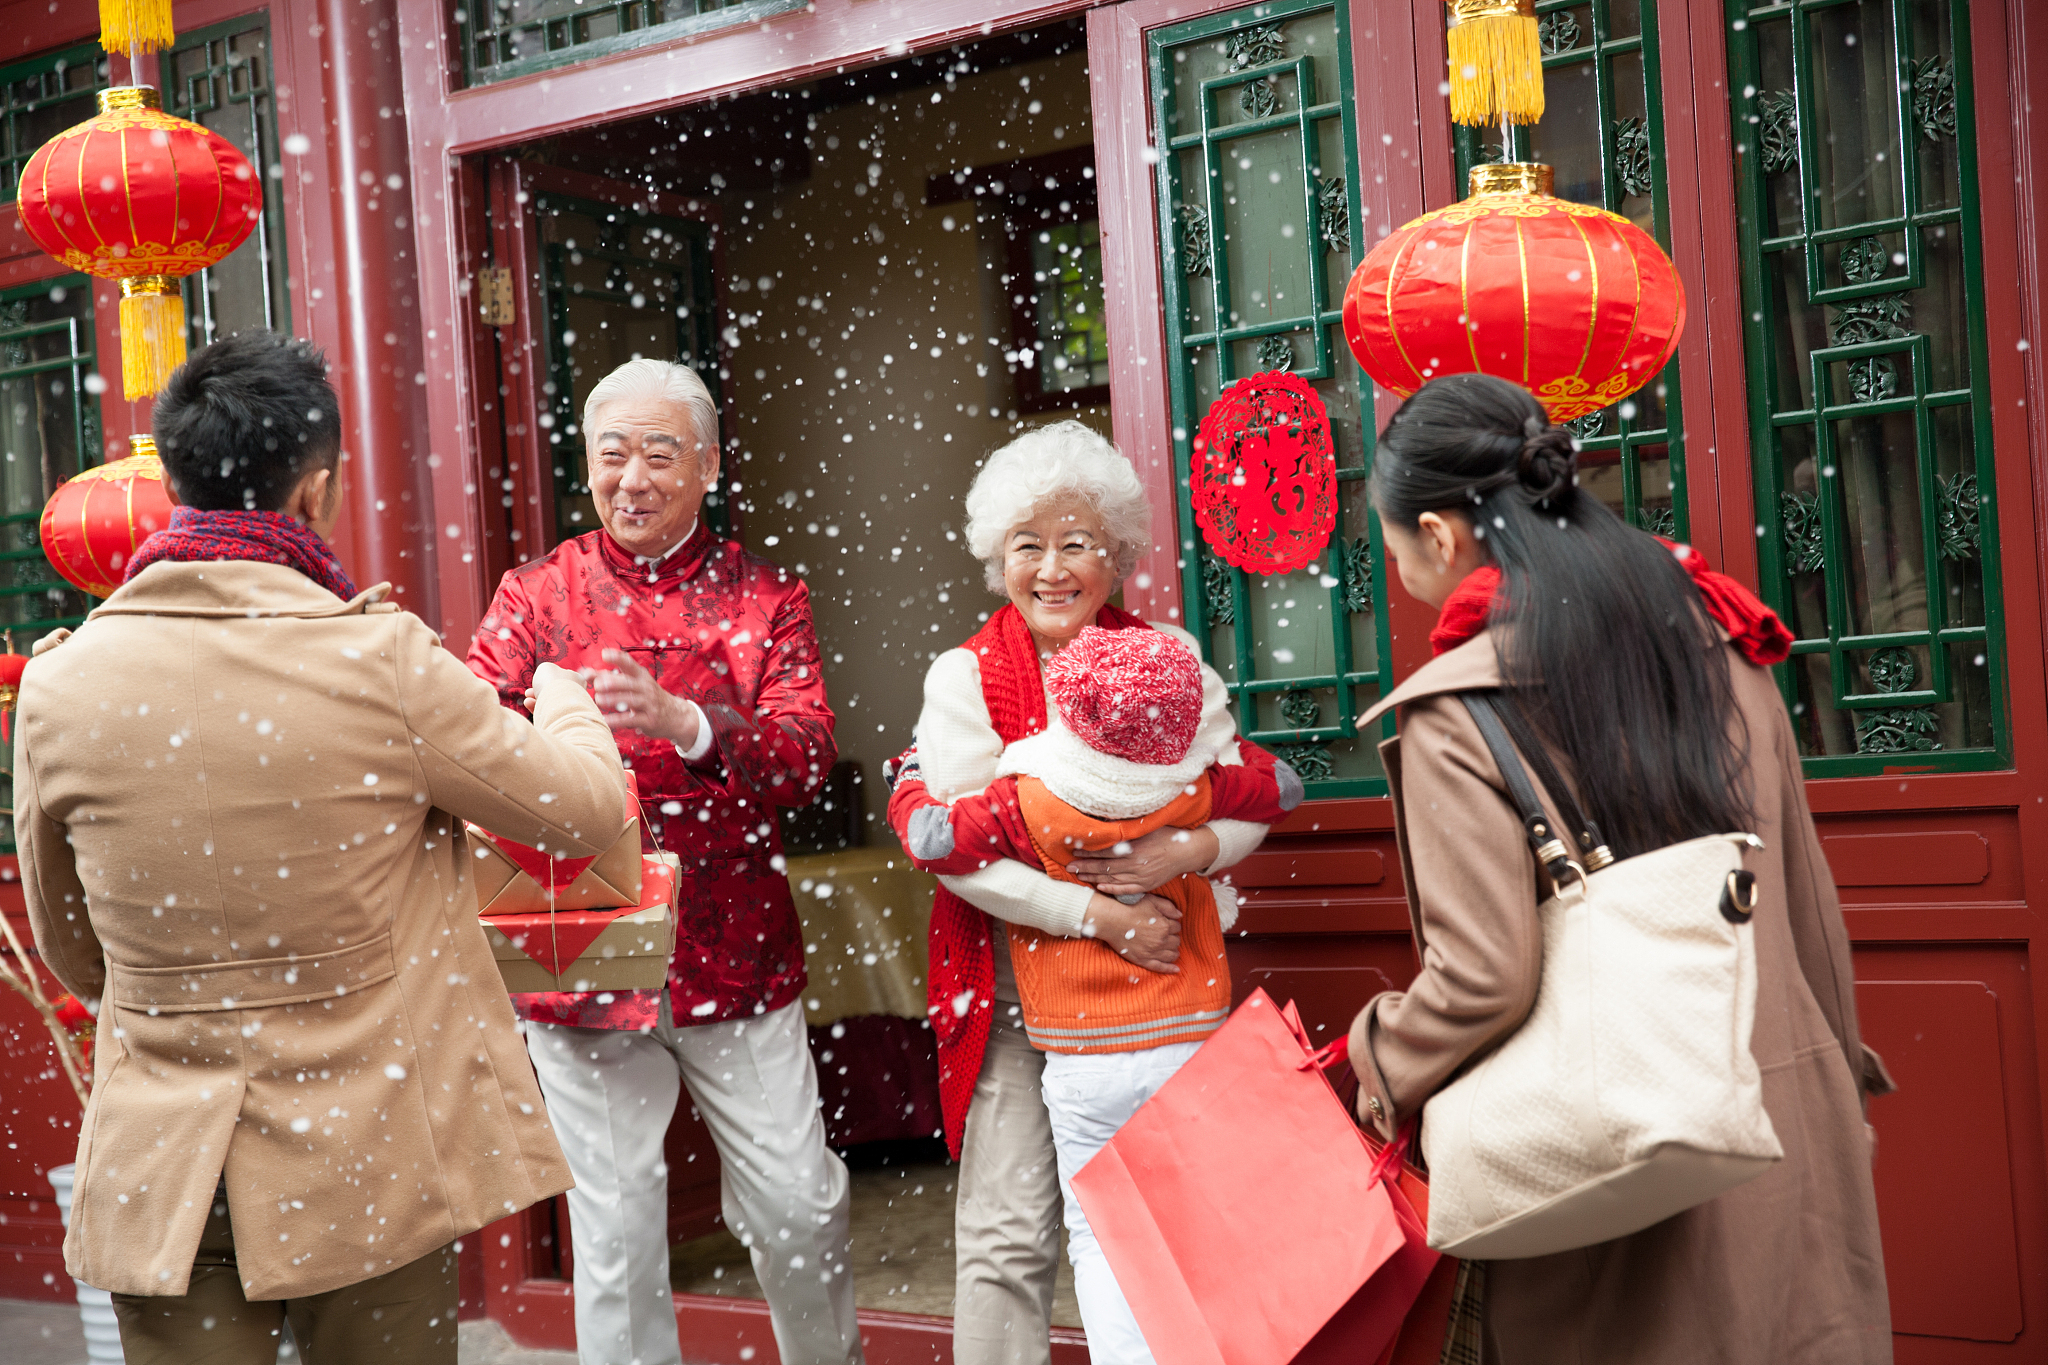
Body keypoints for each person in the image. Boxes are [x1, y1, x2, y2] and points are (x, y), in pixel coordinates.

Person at [16, 331, 628, 1365]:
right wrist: (565, 696)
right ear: (315, 491)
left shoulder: (61, 685)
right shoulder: (376, 659)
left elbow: (71, 945)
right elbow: (584, 812)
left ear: (177, 482)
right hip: (366, 1157)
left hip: (162, 1169)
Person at [1344, 374, 1894, 1363]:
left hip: (1622, 1152)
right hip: (1776, 1118)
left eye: (1392, 553)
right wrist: (1836, 1083)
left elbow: (1483, 978)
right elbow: (1804, 901)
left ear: (1436, 534)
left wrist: (1376, 1058)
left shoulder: (1458, 709)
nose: (1402, 575)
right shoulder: (1718, 639)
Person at [465, 358, 859, 1365]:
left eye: (657, 453)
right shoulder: (536, 593)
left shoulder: (767, 597)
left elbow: (806, 757)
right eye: (610, 454)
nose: (630, 478)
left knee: (797, 1207)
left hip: (736, 949)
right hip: (581, 948)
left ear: (709, 466)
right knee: (613, 1227)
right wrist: (552, 738)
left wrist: (689, 721)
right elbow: (466, 740)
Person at [899, 420, 1271, 1365]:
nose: (1053, 568)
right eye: (1029, 544)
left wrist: (1178, 852)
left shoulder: (1173, 660)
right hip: (1018, 989)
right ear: (997, 558)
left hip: (1163, 994)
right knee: (1008, 1234)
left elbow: (1243, 801)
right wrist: (1097, 912)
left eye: (1077, 541)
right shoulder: (966, 677)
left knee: (1179, 1221)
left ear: (1117, 552)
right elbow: (960, 854)